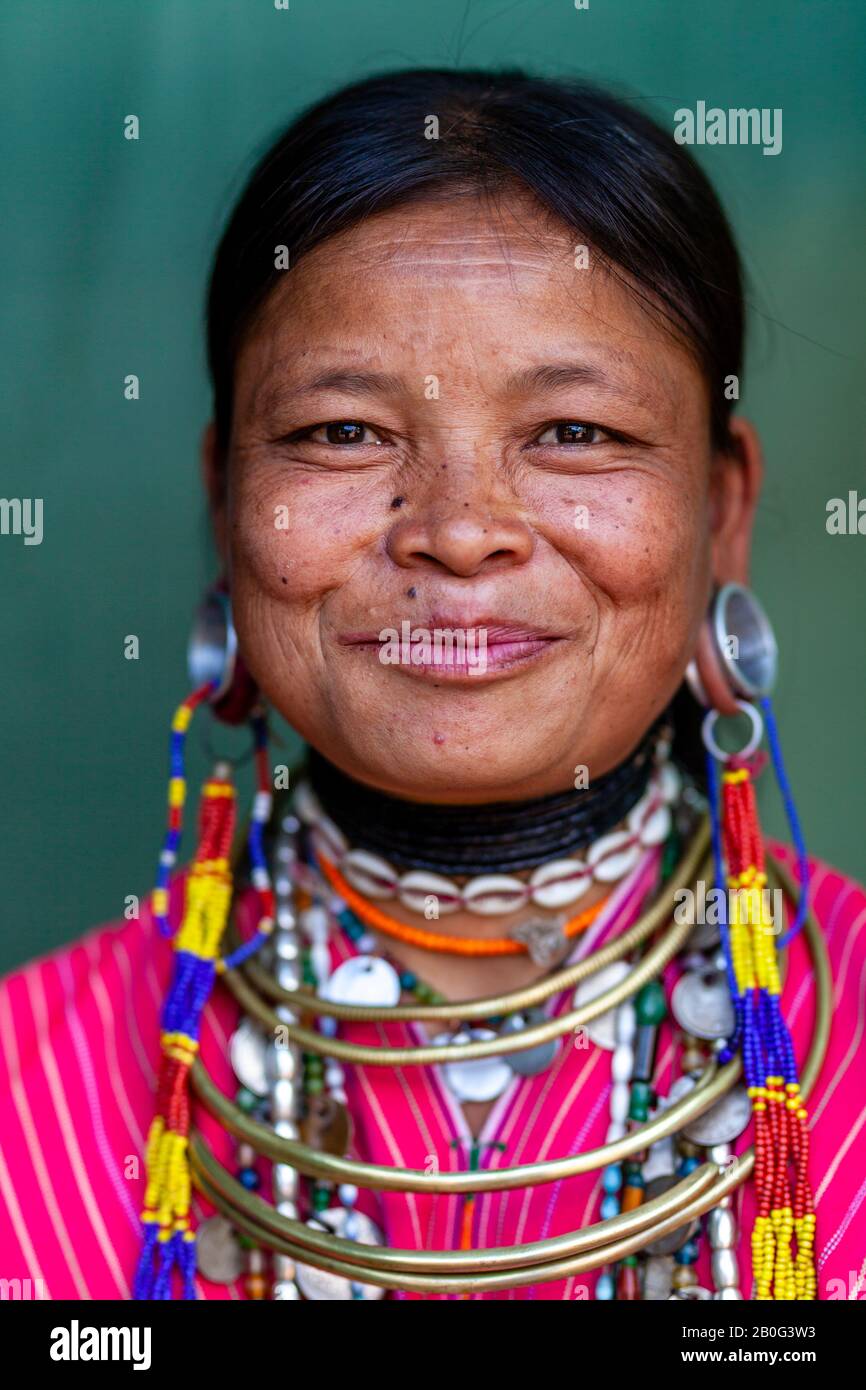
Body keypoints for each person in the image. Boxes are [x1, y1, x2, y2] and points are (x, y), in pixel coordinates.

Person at [2, 69, 864, 1303]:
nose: (459, 533)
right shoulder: (24, 1088)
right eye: (342, 433)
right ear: (225, 500)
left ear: (719, 512)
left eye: (573, 432)